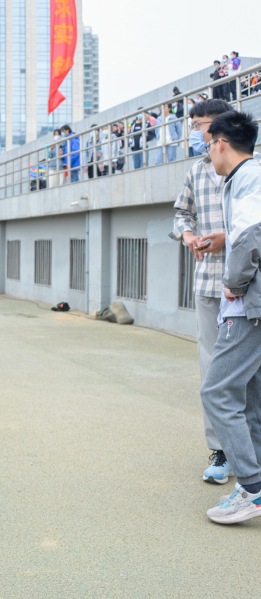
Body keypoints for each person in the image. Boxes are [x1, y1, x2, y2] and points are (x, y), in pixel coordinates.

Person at [200, 110, 261, 524]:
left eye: (208, 145)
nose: (208, 153)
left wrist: (234, 283)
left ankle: (253, 489)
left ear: (221, 143)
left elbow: (249, 235)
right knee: (251, 395)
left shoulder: (248, 178)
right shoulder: (249, 176)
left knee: (218, 391)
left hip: (249, 304)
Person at [171, 99, 236, 483]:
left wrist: (226, 237)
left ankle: (249, 450)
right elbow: (181, 214)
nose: (195, 132)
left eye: (200, 125)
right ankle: (221, 450)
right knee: (211, 371)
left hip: (246, 286)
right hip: (207, 283)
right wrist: (189, 235)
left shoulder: (250, 169)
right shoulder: (196, 171)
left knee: (247, 372)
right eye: (192, 125)